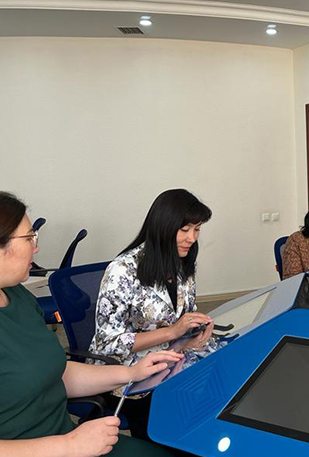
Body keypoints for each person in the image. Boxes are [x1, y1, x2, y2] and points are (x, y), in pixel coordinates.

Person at [0, 191, 181, 457]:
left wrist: (131, 373)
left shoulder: (14, 294)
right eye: (29, 238)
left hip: (66, 441)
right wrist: (70, 446)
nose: (36, 248)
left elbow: (53, 373)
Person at [88, 189, 214, 442]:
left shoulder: (183, 262)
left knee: (219, 386)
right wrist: (172, 332)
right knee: (176, 420)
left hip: (172, 358)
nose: (192, 238)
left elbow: (183, 316)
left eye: (197, 229)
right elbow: (107, 343)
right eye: (185, 229)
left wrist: (193, 333)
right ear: (163, 227)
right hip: (129, 370)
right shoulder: (122, 270)